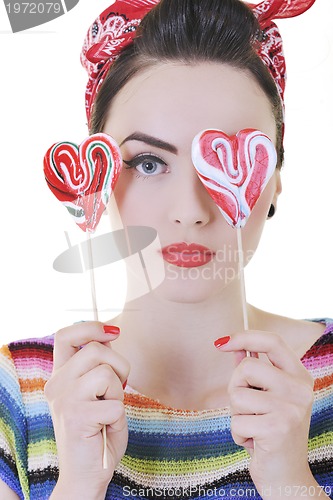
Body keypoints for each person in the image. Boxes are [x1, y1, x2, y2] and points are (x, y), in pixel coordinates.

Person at [0, 0, 332, 498]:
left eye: (226, 159)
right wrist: (79, 484)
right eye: (149, 163)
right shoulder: (22, 393)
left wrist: (291, 482)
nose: (190, 211)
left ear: (275, 180)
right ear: (96, 177)